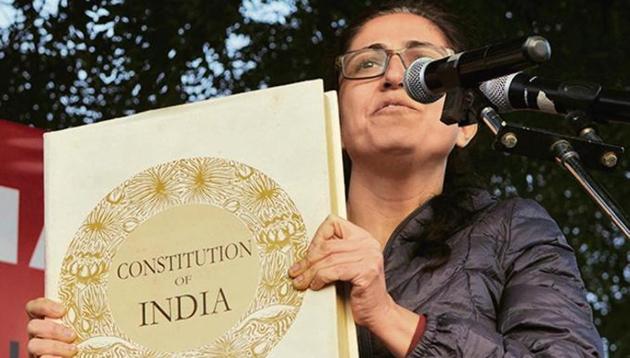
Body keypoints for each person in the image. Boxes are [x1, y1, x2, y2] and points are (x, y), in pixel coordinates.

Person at [26, 1, 603, 357]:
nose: (395, 77)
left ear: (466, 127)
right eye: (367, 64)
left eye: (425, 63)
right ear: (335, 119)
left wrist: (389, 315)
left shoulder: (511, 228)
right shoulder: (257, 237)